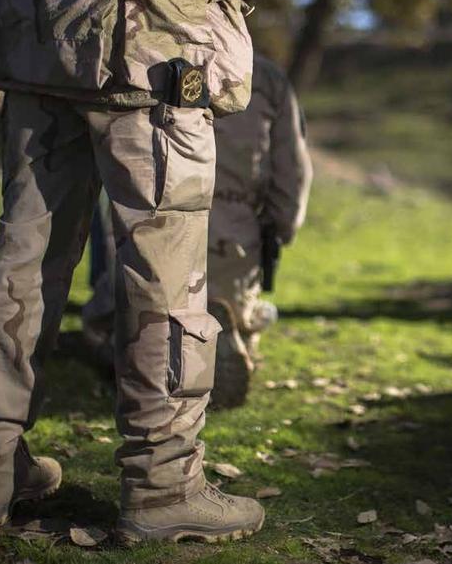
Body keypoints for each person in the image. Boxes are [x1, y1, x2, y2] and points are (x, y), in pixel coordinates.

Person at [0, 0, 264, 544]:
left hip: (33, 6)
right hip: (146, 23)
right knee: (164, 266)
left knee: (23, 249)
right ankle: (163, 484)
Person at [83, 55, 313, 408]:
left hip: (154, 223)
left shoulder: (144, 53)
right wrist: (279, 231)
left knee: (116, 319)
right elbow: (292, 177)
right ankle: (227, 331)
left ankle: (137, 346)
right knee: (245, 312)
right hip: (232, 240)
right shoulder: (266, 77)